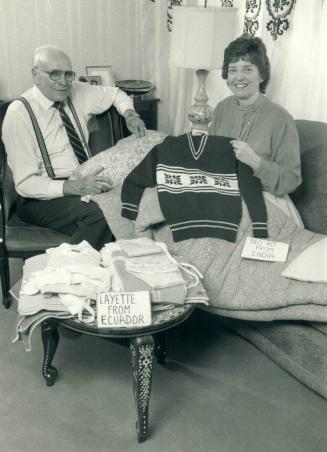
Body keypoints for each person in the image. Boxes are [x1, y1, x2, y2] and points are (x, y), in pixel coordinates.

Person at [2, 45, 146, 250]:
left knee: (138, 201)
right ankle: (68, 273)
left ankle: (119, 270)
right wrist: (75, 187)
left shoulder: (77, 91)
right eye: (54, 74)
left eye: (68, 74)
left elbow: (116, 94)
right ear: (36, 75)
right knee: (101, 215)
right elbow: (25, 184)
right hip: (39, 197)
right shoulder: (18, 114)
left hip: (82, 179)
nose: (63, 82)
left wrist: (130, 115)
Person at [208, 35, 303, 224]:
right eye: (233, 70)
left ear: (261, 75)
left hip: (265, 201)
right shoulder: (221, 108)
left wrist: (256, 162)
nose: (239, 77)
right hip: (222, 194)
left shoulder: (281, 118)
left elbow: (291, 180)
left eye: (247, 69)